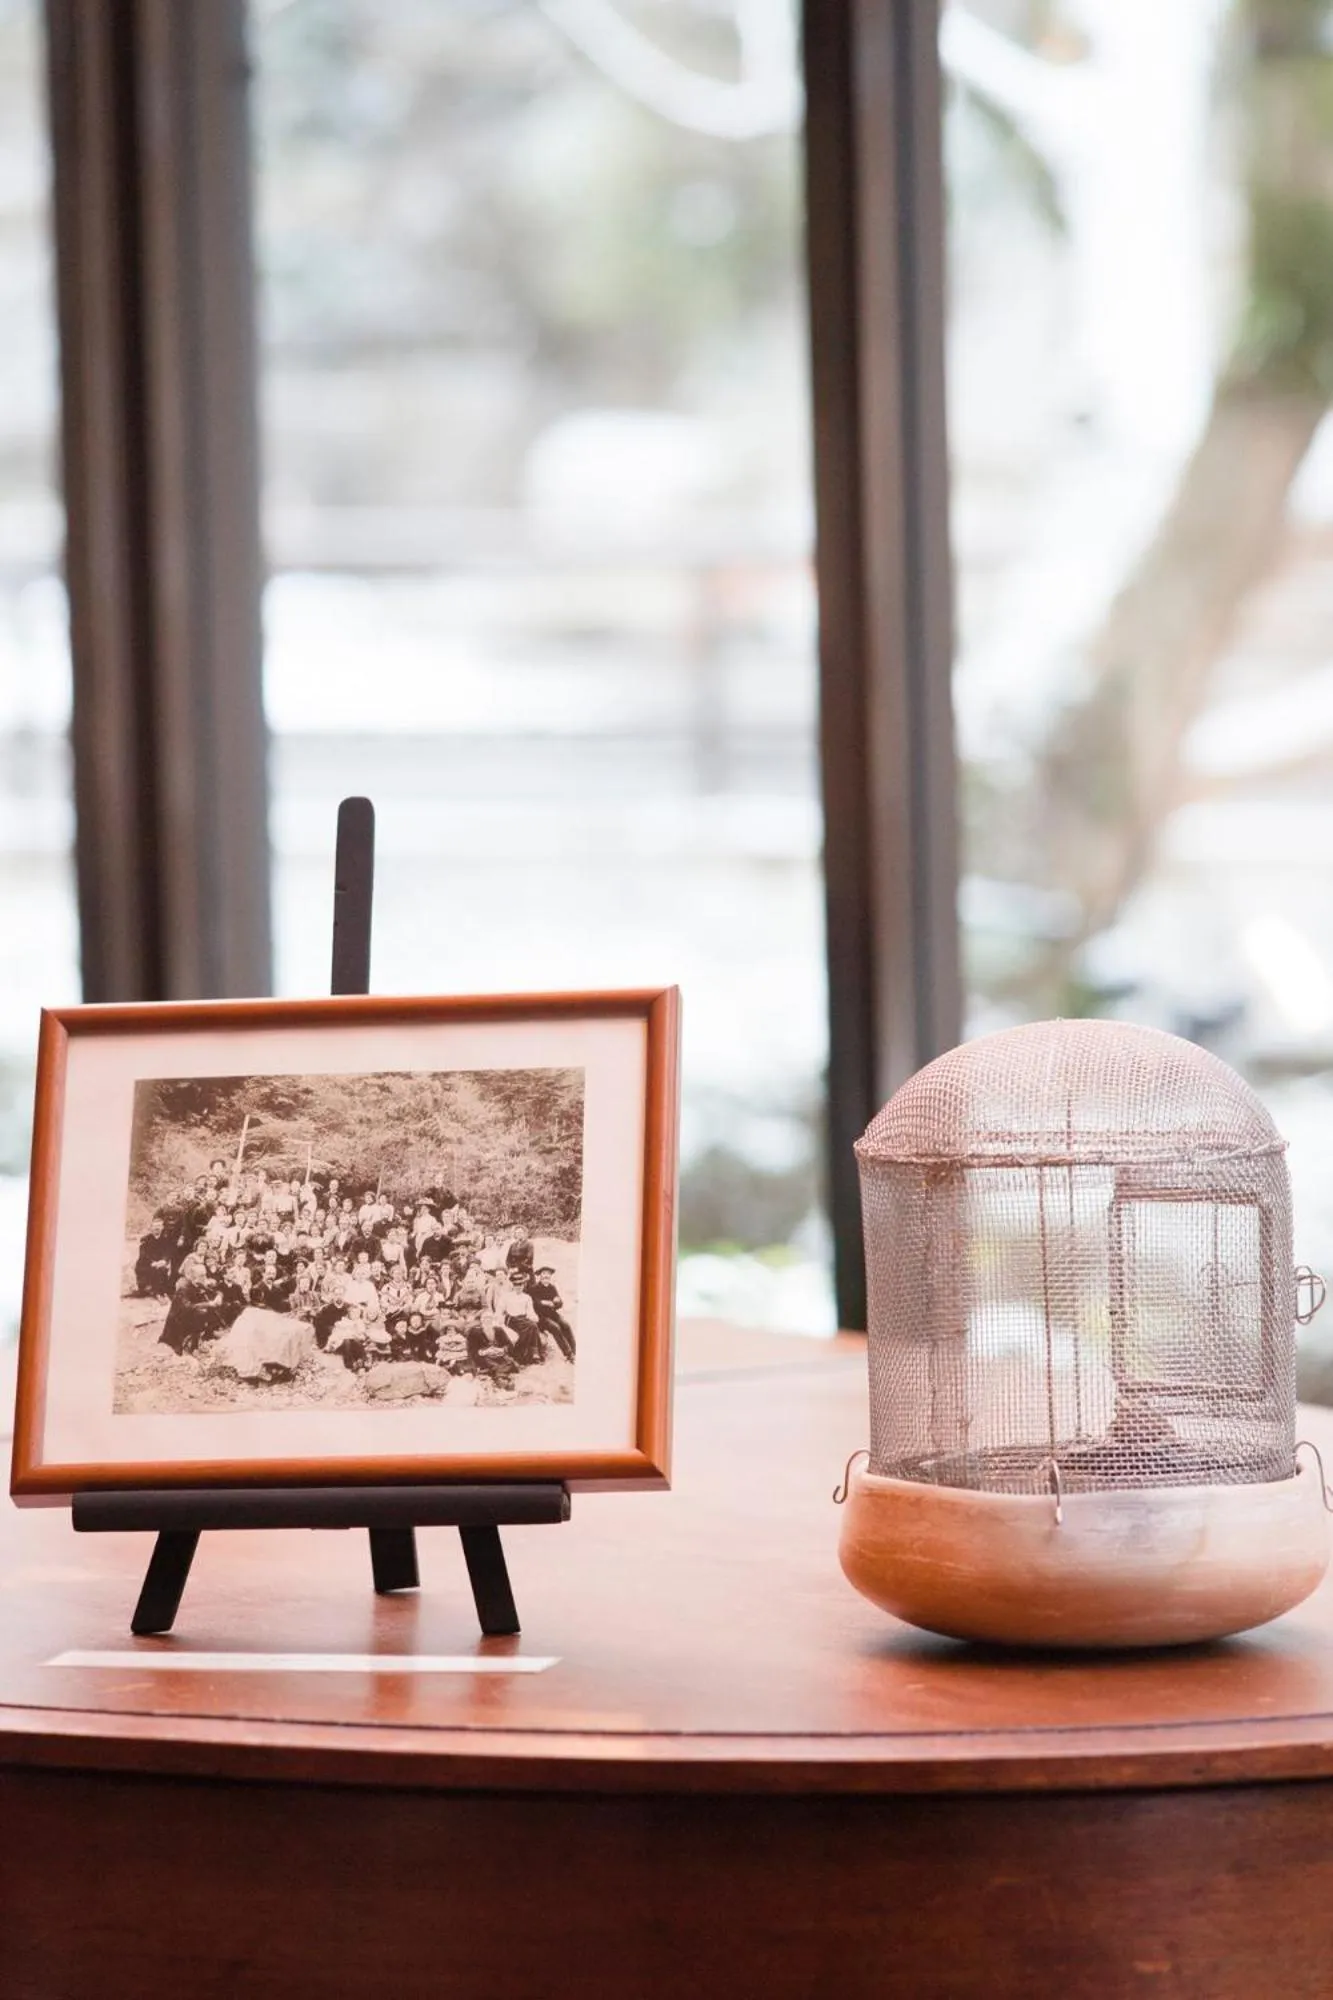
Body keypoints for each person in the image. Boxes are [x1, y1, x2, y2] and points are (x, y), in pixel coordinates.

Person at [527, 1266, 574, 1361]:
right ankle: (568, 1354)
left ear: (550, 1276)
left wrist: (557, 1302)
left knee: (566, 1325)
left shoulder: (552, 1288)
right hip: (541, 1317)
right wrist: (543, 1303)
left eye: (548, 1274)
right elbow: (534, 1304)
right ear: (539, 1276)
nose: (546, 1276)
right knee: (555, 1327)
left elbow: (559, 1304)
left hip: (553, 1314)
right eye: (543, 1274)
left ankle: (575, 1350)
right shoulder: (534, 1288)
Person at [134, 1217, 175, 1298]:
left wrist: (164, 1260)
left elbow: (168, 1252)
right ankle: (147, 1287)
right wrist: (152, 1262)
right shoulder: (146, 1239)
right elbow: (143, 1254)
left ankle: (158, 1291)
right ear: (151, 1227)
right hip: (146, 1264)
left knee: (162, 1271)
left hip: (160, 1264)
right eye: (155, 1226)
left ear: (162, 1227)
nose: (157, 1228)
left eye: (159, 1226)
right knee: (143, 1290)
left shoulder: (166, 1239)